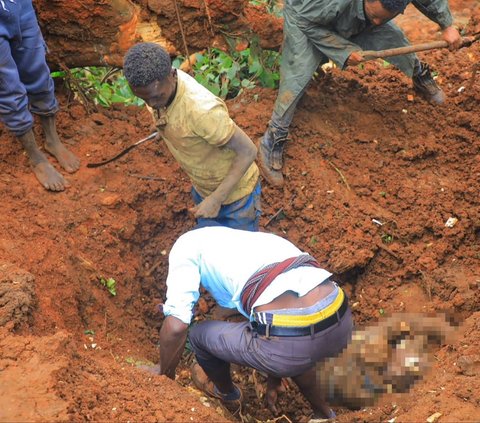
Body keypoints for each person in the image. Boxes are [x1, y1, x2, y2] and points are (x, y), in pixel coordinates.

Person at [155, 226, 353, 420]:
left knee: (198, 335)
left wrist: (163, 378)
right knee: (299, 342)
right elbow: (284, 308)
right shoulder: (263, 242)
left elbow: (176, 326)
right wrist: (274, 376)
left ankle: (229, 396)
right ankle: (325, 414)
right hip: (341, 318)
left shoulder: (185, 249)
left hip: (293, 342)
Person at [259, 0, 463, 187]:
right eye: (375, 16)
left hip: (354, 14)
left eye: (384, 17)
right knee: (297, 76)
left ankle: (419, 74)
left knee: (394, 38)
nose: (377, 21)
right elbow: (305, 21)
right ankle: (273, 137)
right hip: (307, 19)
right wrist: (344, 49)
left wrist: (446, 24)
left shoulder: (376, 16)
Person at [123, 43, 261, 231]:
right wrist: (166, 129)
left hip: (236, 197)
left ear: (172, 75)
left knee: (237, 253)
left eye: (156, 98)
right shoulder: (156, 88)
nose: (152, 104)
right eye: (144, 99)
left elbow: (248, 151)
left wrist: (215, 200)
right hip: (203, 187)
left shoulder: (202, 111)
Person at [0, 0, 80, 191]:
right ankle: (35, 156)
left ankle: (52, 139)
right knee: (8, 86)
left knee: (37, 69)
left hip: (18, 5)